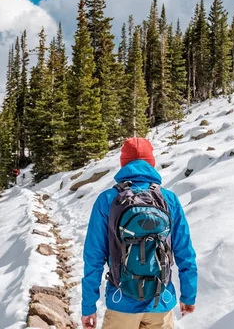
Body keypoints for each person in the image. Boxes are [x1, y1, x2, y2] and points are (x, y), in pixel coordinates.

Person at [81, 137, 198, 329]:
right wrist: (188, 295)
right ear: (151, 162)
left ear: (123, 164)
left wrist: (88, 307)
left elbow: (93, 257)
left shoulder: (107, 199)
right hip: (161, 301)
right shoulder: (168, 199)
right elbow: (185, 252)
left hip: (121, 303)